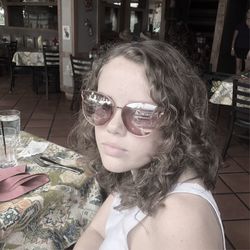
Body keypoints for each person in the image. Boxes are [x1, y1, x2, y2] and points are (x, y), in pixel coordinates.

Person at [71, 40, 225, 250]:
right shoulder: (141, 171)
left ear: (176, 124)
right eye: (102, 103)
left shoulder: (181, 220)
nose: (113, 127)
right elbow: (97, 232)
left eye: (141, 113)